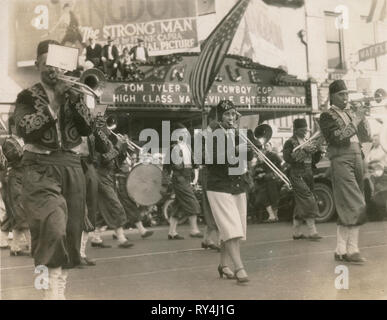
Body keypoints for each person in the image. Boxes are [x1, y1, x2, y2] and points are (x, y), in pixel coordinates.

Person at [13, 39, 92, 299]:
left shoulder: (74, 93)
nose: (52, 70)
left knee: (70, 234)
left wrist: (74, 97)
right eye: (47, 64)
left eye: (57, 64)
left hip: (71, 166)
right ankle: (47, 294)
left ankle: (58, 292)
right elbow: (26, 130)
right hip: (40, 168)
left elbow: (86, 129)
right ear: (37, 64)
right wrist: (55, 101)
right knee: (51, 230)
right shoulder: (26, 96)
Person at [320, 80, 372, 264]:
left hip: (357, 157)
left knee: (347, 203)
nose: (346, 98)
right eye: (341, 95)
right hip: (341, 158)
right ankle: (352, 250)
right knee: (354, 202)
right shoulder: (326, 116)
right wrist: (356, 119)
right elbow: (338, 139)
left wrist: (363, 117)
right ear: (332, 96)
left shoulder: (351, 113)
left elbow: (366, 136)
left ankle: (340, 249)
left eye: (346, 94)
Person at [205, 100, 253, 284]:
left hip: (237, 184)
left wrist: (249, 146)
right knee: (231, 228)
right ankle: (239, 268)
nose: (231, 118)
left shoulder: (238, 132)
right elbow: (211, 159)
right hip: (218, 186)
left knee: (235, 227)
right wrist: (234, 150)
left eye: (234, 114)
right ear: (219, 116)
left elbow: (248, 156)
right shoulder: (211, 133)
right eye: (227, 114)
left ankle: (223, 265)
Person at [90, 116, 133, 249]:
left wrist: (123, 147)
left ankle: (96, 238)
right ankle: (121, 238)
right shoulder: (96, 141)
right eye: (104, 127)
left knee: (103, 209)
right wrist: (118, 146)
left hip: (108, 176)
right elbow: (104, 159)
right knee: (115, 205)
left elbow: (117, 161)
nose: (109, 130)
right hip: (101, 176)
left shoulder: (107, 141)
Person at [283, 118, 323, 241]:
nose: (305, 131)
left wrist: (318, 151)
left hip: (308, 173)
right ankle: (312, 231)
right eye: (303, 129)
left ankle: (296, 232)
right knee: (308, 199)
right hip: (297, 173)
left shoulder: (307, 140)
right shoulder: (289, 142)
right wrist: (303, 150)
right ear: (296, 130)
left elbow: (314, 160)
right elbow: (287, 158)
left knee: (301, 202)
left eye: (306, 129)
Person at [164, 123, 203, 240]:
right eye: (183, 133)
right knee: (192, 202)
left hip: (185, 178)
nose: (186, 135)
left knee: (178, 205)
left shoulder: (187, 147)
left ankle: (172, 232)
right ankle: (194, 230)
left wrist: (195, 177)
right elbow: (172, 166)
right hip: (179, 178)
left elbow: (195, 164)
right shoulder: (173, 148)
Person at [2, 117, 31, 256]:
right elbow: (16, 156)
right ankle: (33, 246)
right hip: (14, 178)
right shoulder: (9, 142)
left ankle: (15, 246)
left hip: (22, 177)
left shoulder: (21, 141)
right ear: (13, 127)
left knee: (18, 212)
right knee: (21, 210)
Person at [254, 142, 282, 223]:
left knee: (273, 196)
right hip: (263, 180)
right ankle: (272, 215)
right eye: (264, 146)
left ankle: (275, 216)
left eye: (267, 145)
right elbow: (259, 167)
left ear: (271, 146)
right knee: (264, 197)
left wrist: (275, 174)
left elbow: (281, 164)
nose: (265, 147)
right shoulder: (262, 155)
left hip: (272, 178)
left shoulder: (274, 155)